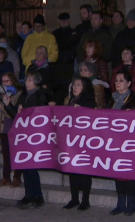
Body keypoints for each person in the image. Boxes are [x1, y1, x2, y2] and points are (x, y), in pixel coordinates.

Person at [51, 76, 96, 211]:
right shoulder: (70, 100)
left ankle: (85, 200)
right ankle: (74, 198)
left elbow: (94, 118)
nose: (75, 87)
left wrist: (82, 110)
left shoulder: (89, 102)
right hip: (71, 141)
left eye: (78, 85)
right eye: (74, 85)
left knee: (84, 171)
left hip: (84, 141)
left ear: (85, 88)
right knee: (72, 171)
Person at [108, 70, 135, 216]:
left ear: (129, 83)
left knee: (129, 171)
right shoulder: (112, 99)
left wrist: (134, 114)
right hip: (115, 141)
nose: (118, 83)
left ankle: (131, 202)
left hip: (131, 141)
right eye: (116, 80)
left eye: (121, 80)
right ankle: (120, 203)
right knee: (117, 171)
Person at [11, 71, 50, 208]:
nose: (26, 83)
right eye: (26, 80)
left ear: (37, 82)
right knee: (25, 165)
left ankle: (37, 195)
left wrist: (25, 109)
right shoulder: (23, 95)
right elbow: (15, 114)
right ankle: (28, 194)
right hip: (23, 134)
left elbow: (41, 113)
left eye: (30, 80)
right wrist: (9, 105)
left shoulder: (41, 94)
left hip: (35, 135)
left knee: (31, 166)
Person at [0, 72, 23, 187]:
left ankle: (17, 177)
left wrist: (3, 107)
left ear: (13, 82)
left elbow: (14, 114)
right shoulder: (0, 93)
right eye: (3, 81)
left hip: (14, 127)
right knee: (6, 154)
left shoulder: (19, 94)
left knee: (16, 153)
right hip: (3, 126)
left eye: (7, 81)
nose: (4, 83)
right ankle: (6, 176)